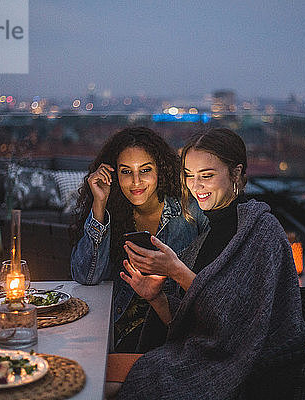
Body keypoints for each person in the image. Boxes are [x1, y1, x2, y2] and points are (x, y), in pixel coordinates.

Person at [116, 128, 305, 399]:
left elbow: (237, 329)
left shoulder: (262, 232)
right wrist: (156, 297)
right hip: (197, 358)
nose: (196, 186)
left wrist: (177, 271)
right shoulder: (205, 238)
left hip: (241, 373)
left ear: (236, 174)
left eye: (207, 176)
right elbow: (194, 326)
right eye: (189, 176)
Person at [70, 126, 207, 352]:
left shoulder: (189, 210)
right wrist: (99, 205)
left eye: (145, 170)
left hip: (174, 326)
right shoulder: (110, 212)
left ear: (159, 170)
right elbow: (87, 277)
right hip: (120, 327)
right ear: (114, 175)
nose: (136, 182)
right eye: (126, 172)